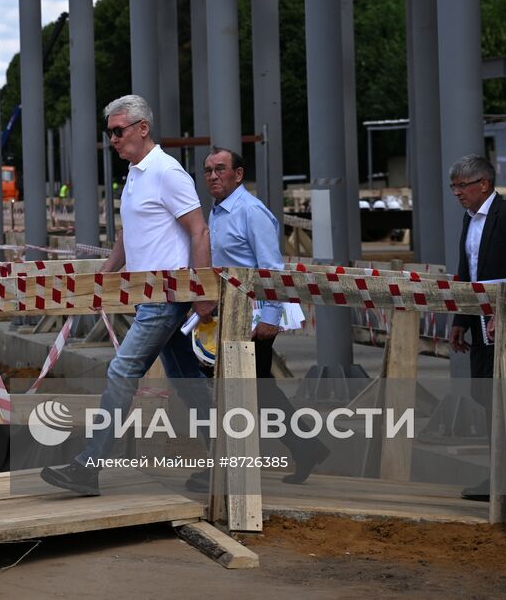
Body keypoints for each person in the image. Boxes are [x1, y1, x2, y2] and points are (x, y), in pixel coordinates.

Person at [41, 94, 211, 497]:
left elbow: (199, 230)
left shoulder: (167, 172)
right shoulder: (136, 174)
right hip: (149, 294)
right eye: (110, 133)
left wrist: (203, 291)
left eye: (118, 131)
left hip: (167, 296)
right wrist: (104, 277)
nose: (113, 140)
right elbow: (126, 235)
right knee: (187, 382)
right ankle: (230, 458)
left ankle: (88, 467)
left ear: (142, 128)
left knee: (121, 372)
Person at [203, 147, 328, 486]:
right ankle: (305, 447)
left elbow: (272, 268)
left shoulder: (251, 212)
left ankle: (229, 465)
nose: (213, 176)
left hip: (255, 318)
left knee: (246, 389)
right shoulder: (218, 211)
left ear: (238, 174)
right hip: (231, 316)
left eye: (220, 169)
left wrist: (270, 316)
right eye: (208, 170)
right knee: (256, 389)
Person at [444, 154, 506, 502]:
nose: (457, 194)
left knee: (503, 397)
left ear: (484, 184)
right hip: (478, 320)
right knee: (483, 392)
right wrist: (459, 320)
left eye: (462, 186)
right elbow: (467, 272)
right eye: (453, 187)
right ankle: (500, 475)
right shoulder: (469, 219)